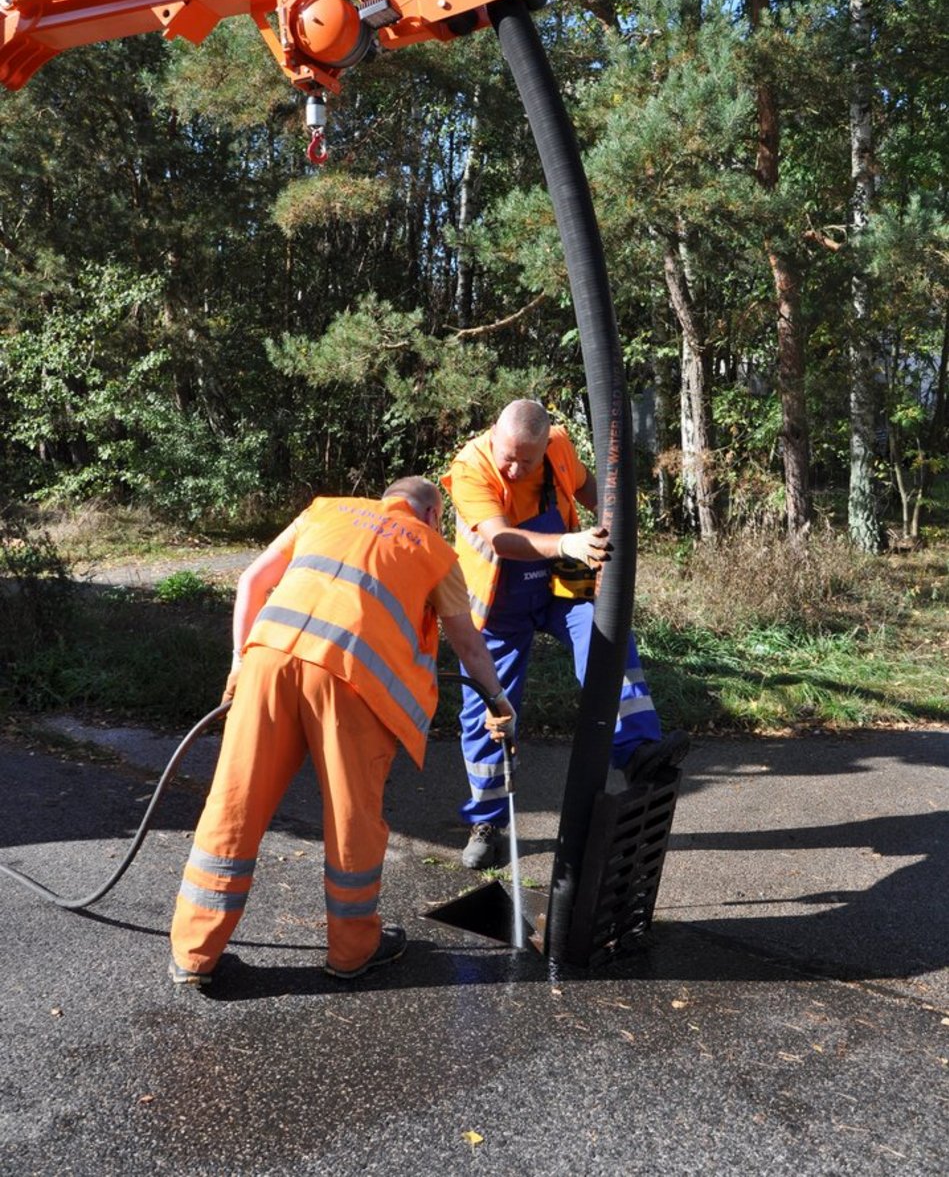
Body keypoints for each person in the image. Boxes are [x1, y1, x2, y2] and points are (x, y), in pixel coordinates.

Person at [168, 476, 513, 986]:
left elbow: (252, 582)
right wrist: (500, 701)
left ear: (385, 499)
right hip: (353, 684)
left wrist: (240, 662)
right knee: (352, 819)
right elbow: (468, 643)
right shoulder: (435, 551)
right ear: (433, 514)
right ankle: (352, 953)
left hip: (269, 661)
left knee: (234, 802)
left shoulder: (325, 509)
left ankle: (194, 955)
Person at [442, 399, 689, 869]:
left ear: (545, 445)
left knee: (608, 641)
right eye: (508, 456)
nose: (515, 468)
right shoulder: (471, 467)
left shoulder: (558, 447)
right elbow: (499, 539)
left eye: (527, 460)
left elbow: (593, 491)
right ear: (494, 436)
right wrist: (567, 543)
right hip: (499, 602)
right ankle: (488, 823)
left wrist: (615, 515)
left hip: (559, 584)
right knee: (489, 711)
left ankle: (637, 751)